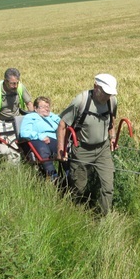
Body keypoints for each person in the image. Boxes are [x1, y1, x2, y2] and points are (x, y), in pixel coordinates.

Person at [57, 73, 118, 215]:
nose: (107, 96)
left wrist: (112, 137)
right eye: (105, 92)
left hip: (103, 149)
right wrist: (61, 149)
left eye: (110, 93)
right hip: (82, 149)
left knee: (108, 187)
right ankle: (74, 213)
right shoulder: (81, 100)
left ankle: (104, 218)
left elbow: (112, 120)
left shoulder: (112, 101)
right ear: (96, 86)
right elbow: (62, 124)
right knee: (79, 187)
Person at [0, 68, 34, 164]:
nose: (15, 86)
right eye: (12, 83)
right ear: (5, 81)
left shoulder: (20, 87)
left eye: (17, 83)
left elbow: (29, 104)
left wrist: (32, 119)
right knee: (3, 151)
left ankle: (13, 174)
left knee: (15, 153)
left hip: (16, 121)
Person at [19, 96, 62, 179]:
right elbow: (24, 132)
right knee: (43, 149)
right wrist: (40, 136)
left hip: (54, 139)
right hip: (38, 139)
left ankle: (69, 177)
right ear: (35, 108)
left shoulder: (53, 117)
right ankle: (54, 177)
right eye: (42, 107)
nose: (46, 109)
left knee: (64, 150)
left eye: (47, 106)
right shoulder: (30, 117)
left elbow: (62, 125)